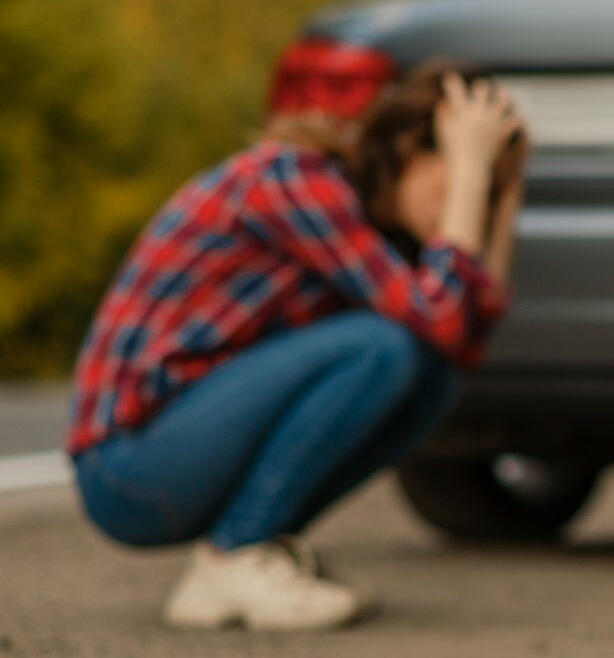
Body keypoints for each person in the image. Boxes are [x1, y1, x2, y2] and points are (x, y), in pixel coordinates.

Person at [65, 66, 527, 631]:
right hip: (127, 467)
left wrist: (504, 194)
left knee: (432, 379)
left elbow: (466, 342)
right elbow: (442, 320)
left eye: (480, 194)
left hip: (182, 451)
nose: (464, 208)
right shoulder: (300, 181)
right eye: (458, 181)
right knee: (383, 348)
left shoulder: (377, 229)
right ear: (408, 149)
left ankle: (248, 553)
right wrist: (475, 168)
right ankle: (236, 554)